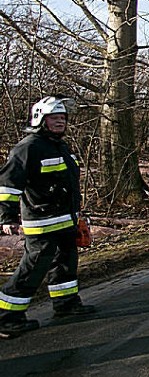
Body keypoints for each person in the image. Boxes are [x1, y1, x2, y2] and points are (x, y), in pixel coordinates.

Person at [0, 96, 96, 339]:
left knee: (65, 261)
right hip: (42, 221)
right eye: (55, 118)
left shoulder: (60, 146)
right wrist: (6, 217)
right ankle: (7, 317)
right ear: (40, 119)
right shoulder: (28, 147)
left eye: (63, 118)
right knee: (34, 266)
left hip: (65, 219)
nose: (60, 122)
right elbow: (8, 185)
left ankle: (66, 304)